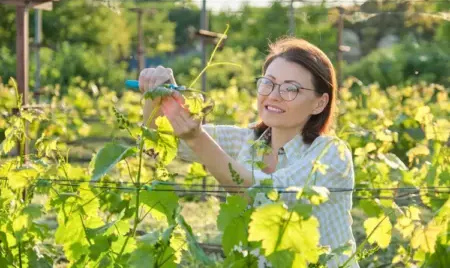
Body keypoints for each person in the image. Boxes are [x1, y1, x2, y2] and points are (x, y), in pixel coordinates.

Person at [139, 38, 359, 267]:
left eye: (290, 89)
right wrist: (157, 98)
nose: (273, 95)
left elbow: (266, 195)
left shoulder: (331, 154)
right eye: (268, 83)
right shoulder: (246, 140)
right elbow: (161, 145)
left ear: (320, 103)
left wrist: (197, 138)